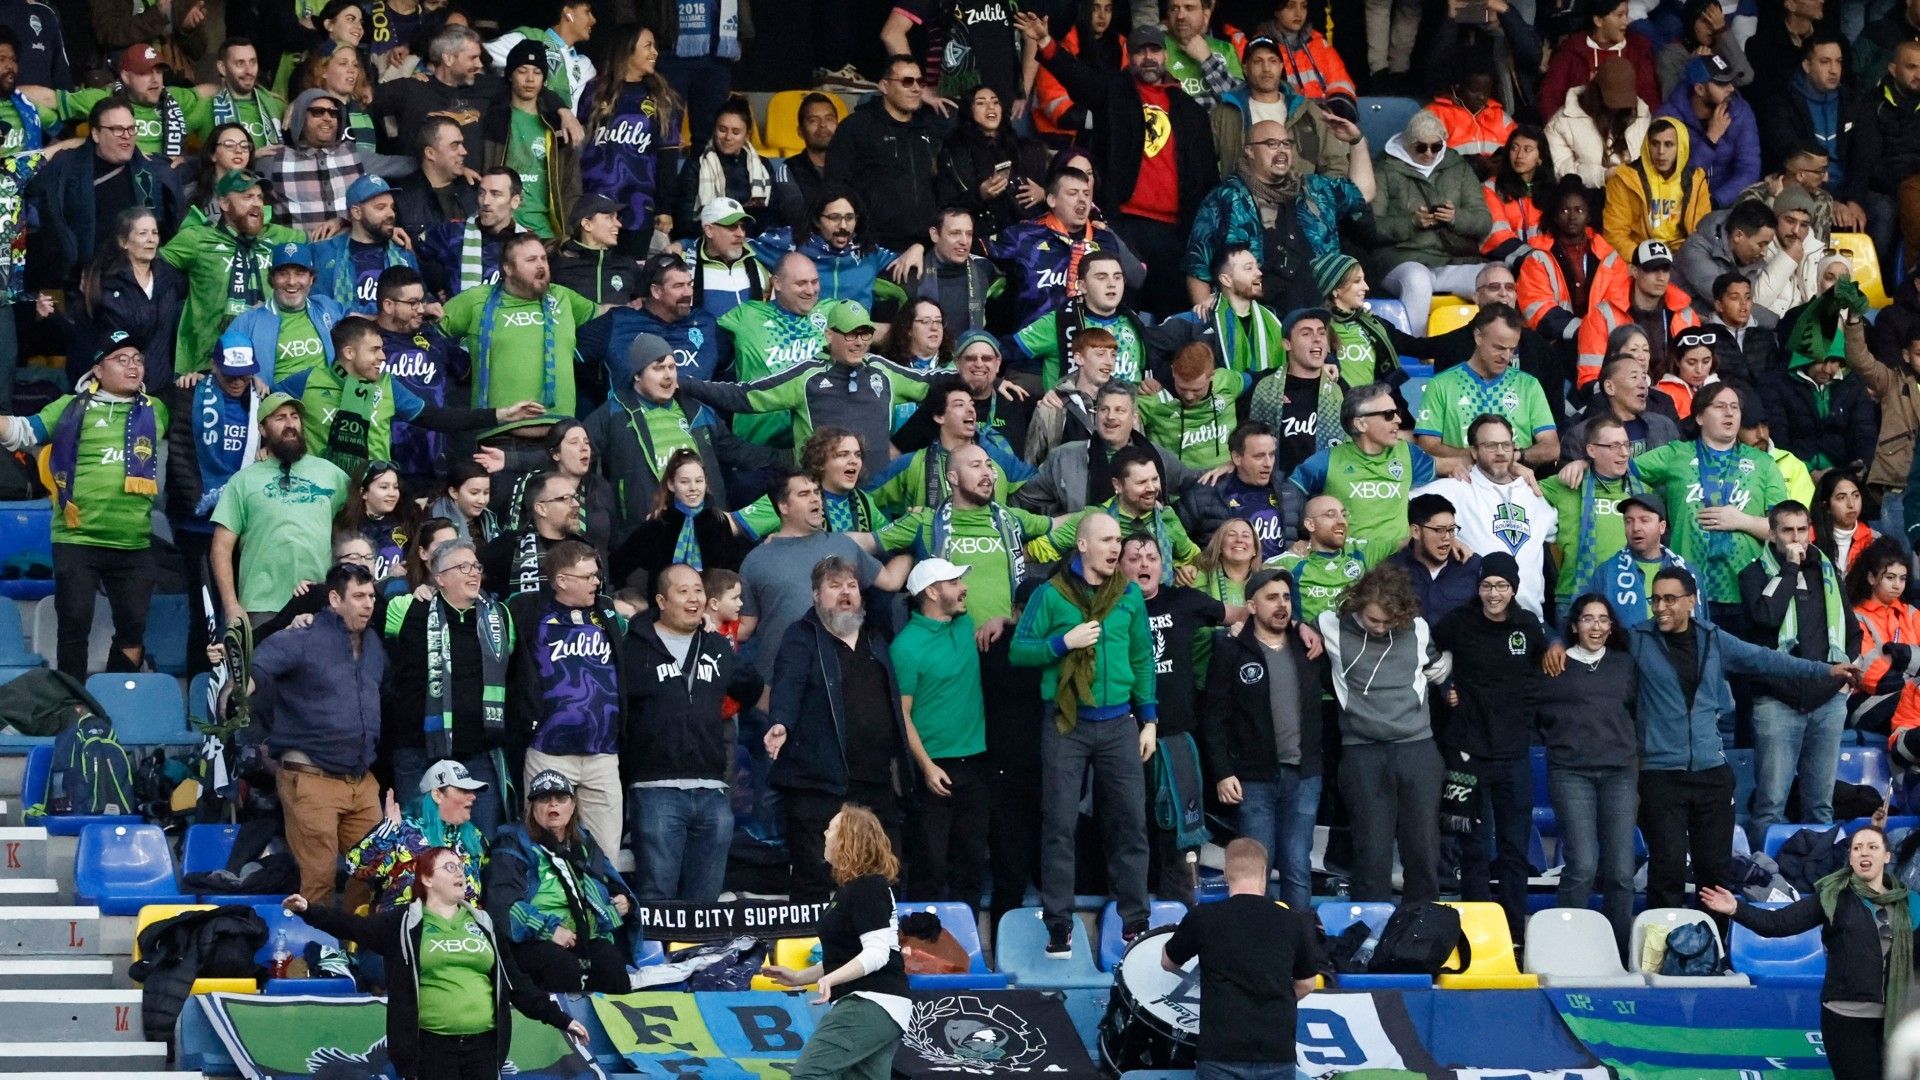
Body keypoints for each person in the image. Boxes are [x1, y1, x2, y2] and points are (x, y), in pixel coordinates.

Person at [1628, 566, 1857, 908]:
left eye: (1670, 599)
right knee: (1667, 869)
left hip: (1711, 773)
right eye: (1655, 599)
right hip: (1660, 774)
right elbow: (1590, 641)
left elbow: (1767, 661)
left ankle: (1714, 950)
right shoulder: (1636, 640)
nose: (1660, 606)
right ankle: (1663, 953)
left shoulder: (1713, 638)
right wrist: (1556, 645)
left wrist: (1826, 670)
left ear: (1691, 601)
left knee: (1715, 872)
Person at [283, 848, 589, 1080]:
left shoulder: (483, 923)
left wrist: (561, 1019)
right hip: (430, 1049)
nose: (461, 873)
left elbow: (516, 982)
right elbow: (354, 927)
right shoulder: (403, 924)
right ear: (427, 878)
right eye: (450, 867)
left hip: (483, 1048)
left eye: (462, 867)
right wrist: (309, 910)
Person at [1012, 511, 1157, 953]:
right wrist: (1063, 643)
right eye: (1108, 540)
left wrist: (1148, 718)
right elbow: (1019, 651)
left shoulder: (1128, 595)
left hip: (1118, 723)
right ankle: (1060, 921)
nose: (1117, 549)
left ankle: (1135, 920)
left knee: (1130, 822)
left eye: (1119, 541)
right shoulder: (1050, 594)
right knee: (1058, 824)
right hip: (1066, 722)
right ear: (1082, 545)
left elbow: (1141, 660)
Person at [1019, 15, 1217, 314]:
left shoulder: (1190, 111)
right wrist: (1046, 43)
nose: (1148, 58)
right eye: (1140, 51)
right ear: (1130, 57)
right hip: (1123, 223)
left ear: (1165, 55)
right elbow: (1077, 77)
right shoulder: (1114, 93)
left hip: (1173, 231)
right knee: (1121, 310)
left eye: (1155, 50)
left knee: (1171, 314)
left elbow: (1206, 177)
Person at [0, 331, 164, 676]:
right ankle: (74, 707)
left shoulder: (157, 409)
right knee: (74, 628)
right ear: (98, 371)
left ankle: (115, 701)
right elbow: (22, 432)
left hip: (133, 542)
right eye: (121, 359)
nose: (132, 366)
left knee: (133, 633)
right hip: (78, 539)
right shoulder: (69, 407)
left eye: (137, 359)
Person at [1702, 825, 1911, 1080]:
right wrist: (1737, 909)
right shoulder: (1832, 896)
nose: (1864, 853)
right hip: (1846, 1017)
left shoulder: (1911, 903)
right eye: (1857, 848)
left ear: (1887, 856)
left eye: (1873, 847)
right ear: (1850, 857)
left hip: (1899, 1017)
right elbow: (1778, 924)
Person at [763, 555, 913, 902]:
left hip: (875, 782)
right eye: (834, 586)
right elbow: (789, 683)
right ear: (816, 595)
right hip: (817, 783)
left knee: (884, 873)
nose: (845, 593)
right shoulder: (801, 636)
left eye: (851, 586)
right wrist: (780, 723)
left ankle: (879, 949)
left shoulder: (876, 637)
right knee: (814, 877)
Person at [623, 563, 763, 901]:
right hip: (655, 788)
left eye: (698, 590)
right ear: (661, 599)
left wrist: (716, 638)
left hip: (712, 789)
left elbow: (751, 686)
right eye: (683, 591)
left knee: (706, 901)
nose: (693, 598)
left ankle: (701, 957)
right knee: (657, 896)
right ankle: (657, 957)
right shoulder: (634, 646)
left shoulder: (714, 645)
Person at [253, 562, 385, 909]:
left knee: (374, 875)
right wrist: (232, 695)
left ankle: (355, 958)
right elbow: (255, 670)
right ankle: (313, 960)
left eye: (371, 595)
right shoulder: (302, 636)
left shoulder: (374, 644)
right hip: (311, 779)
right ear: (334, 599)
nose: (368, 603)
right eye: (358, 596)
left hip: (362, 780)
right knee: (319, 881)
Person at [682, 300, 931, 476]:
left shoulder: (883, 371)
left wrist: (901, 443)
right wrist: (684, 383)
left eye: (866, 334)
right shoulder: (807, 376)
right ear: (829, 335)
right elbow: (743, 396)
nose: (859, 342)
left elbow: (934, 387)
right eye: (850, 334)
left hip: (879, 498)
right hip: (821, 496)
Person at [1319, 564, 1448, 902]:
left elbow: (1436, 667)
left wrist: (1448, 683)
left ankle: (1423, 932)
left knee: (1422, 849)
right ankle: (1370, 939)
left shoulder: (1417, 628)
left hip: (1417, 747)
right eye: (1373, 620)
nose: (1379, 628)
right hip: (1362, 751)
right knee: (1371, 852)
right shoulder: (1329, 625)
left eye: (1388, 622)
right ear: (1358, 605)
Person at [1433, 552, 1545, 941]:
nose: (1493, 594)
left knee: (1514, 850)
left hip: (1514, 754)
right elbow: (1426, 652)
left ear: (1513, 589)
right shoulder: (1458, 622)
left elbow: (1541, 674)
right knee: (1473, 848)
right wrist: (1445, 688)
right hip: (1466, 752)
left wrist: (1526, 718)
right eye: (1486, 586)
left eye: (1501, 586)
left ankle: (1514, 932)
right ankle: (1476, 933)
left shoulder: (1528, 625)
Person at [1200, 569, 1326, 910]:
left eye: (1286, 597)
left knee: (1298, 864)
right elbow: (1213, 717)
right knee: (1256, 868)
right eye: (1272, 598)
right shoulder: (1230, 649)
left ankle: (1301, 948)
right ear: (1251, 605)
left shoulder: (1308, 646)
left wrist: (1303, 626)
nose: (1281, 605)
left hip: (1304, 775)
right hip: (1253, 778)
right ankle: (1258, 948)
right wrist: (1223, 771)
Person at [760, 804, 911, 1080]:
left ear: (847, 840)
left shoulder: (868, 887)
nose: (825, 834)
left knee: (809, 1074)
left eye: (832, 829)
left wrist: (831, 980)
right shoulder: (853, 889)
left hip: (871, 1002)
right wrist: (799, 977)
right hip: (881, 1006)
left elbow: (877, 954)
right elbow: (847, 955)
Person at [1739, 500, 1858, 846]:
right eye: (1787, 531)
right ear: (1773, 534)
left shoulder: (1827, 571)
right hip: (1777, 702)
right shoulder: (1753, 574)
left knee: (1821, 805)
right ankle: (1768, 878)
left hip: (1827, 701)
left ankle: (1820, 880)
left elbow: (1852, 630)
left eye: (1802, 530)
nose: (1796, 539)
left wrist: (1844, 679)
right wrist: (1789, 571)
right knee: (1771, 804)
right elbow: (1766, 616)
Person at [1531, 593, 1639, 952]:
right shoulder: (1555, 663)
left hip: (1620, 773)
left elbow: (1638, 712)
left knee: (1622, 873)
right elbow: (1537, 715)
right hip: (1570, 773)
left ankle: (1620, 955)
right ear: (1575, 625)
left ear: (1612, 627)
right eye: (1588, 619)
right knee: (1583, 865)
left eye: (1603, 619)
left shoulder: (1625, 664)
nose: (1596, 626)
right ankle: (1571, 951)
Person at [1161, 837, 1320, 1079]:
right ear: (1264, 872)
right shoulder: (1295, 921)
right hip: (1276, 1054)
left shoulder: (1203, 917)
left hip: (1220, 1055)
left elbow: (1168, 962)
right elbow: (1307, 983)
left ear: (1226, 874)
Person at [504, 540, 626, 853]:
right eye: (588, 577)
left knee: (606, 856)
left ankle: (600, 903)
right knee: (545, 851)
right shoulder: (527, 610)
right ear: (561, 580)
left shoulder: (607, 612)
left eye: (597, 575)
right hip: (549, 752)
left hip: (603, 753)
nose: (596, 582)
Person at [1632, 382, 1784, 627]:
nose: (1730, 413)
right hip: (1687, 588)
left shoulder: (1763, 463)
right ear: (1700, 416)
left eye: (1735, 407)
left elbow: (1785, 531)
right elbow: (1618, 468)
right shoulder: (1676, 455)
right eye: (1720, 406)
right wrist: (1584, 464)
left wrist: (1741, 521)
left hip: (1746, 589)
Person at [1185, 120, 1372, 318]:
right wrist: (1215, 324)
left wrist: (1356, 141)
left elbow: (1364, 192)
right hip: (1260, 322)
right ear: (1249, 151)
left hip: (1322, 320)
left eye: (1286, 144)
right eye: (1272, 144)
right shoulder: (1225, 199)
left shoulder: (1314, 189)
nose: (1281, 150)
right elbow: (1197, 269)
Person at [886, 558, 990, 904]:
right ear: (932, 592)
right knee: (929, 864)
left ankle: (967, 948)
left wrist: (1005, 619)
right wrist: (927, 767)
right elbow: (902, 715)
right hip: (933, 767)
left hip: (975, 762)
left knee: (972, 863)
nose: (964, 588)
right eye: (954, 582)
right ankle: (922, 950)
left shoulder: (964, 625)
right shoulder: (906, 647)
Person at [485, 771, 642, 994]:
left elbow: (610, 880)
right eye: (544, 799)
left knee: (610, 963)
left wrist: (622, 899)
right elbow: (503, 905)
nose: (553, 805)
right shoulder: (512, 845)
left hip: (586, 936)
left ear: (573, 805)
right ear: (531, 806)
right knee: (562, 966)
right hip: (533, 940)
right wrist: (549, 931)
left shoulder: (584, 842)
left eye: (561, 799)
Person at [209, 393, 352, 624]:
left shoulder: (331, 474)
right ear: (262, 429)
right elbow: (221, 548)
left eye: (294, 417)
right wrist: (231, 606)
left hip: (320, 599)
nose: (290, 424)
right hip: (262, 604)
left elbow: (356, 523)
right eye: (280, 418)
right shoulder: (243, 481)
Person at [159, 168, 303, 385]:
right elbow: (147, 265)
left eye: (259, 197)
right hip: (206, 367)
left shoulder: (278, 237)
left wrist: (341, 223)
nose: (256, 203)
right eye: (247, 197)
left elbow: (328, 245)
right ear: (224, 204)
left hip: (269, 363)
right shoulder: (196, 239)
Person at [439, 233, 598, 418]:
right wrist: (460, 365)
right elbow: (427, 334)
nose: (541, 265)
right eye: (531, 260)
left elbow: (608, 315)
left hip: (561, 437)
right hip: (499, 438)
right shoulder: (476, 299)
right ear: (508, 268)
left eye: (543, 258)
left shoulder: (563, 297)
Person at [1413, 415, 1558, 619]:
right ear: (1473, 451)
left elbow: (1557, 530)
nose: (1500, 452)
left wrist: (1580, 465)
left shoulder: (1532, 493)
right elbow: (1402, 507)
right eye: (1490, 445)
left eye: (1506, 445)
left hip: (1529, 621)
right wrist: (1446, 536)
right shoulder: (1456, 487)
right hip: (1476, 622)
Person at [1368, 110, 1492, 336]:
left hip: (1450, 259)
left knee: (1495, 278)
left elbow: (1484, 221)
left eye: (1436, 147)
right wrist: (1410, 222)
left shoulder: (1458, 166)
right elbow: (1370, 226)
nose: (1428, 153)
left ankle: (1494, 347)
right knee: (1417, 281)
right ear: (1407, 143)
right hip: (1401, 259)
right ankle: (1413, 352)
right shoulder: (1384, 168)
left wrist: (1456, 218)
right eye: (1420, 147)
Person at [1290, 382, 1446, 553]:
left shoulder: (1408, 453)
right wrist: (1296, 539)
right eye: (1388, 414)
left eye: (1397, 413)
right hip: (1348, 565)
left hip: (1399, 563)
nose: (1398, 420)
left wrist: (1468, 458)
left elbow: (1450, 465)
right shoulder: (1327, 460)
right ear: (1361, 424)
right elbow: (1291, 492)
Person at [985, 165, 1144, 328]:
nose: (1082, 199)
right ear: (1052, 200)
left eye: (1086, 194)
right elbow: (979, 253)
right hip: (1032, 343)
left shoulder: (1105, 239)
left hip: (1090, 343)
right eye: (1073, 193)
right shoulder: (1022, 236)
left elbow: (1136, 279)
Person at [1414, 304, 1560, 467]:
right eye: (1498, 347)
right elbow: (1427, 445)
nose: (1506, 357)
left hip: (1514, 482)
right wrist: (1479, 456)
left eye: (1512, 349)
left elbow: (1551, 447)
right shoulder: (1441, 384)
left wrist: (1516, 455)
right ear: (1478, 337)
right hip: (1460, 482)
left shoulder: (1529, 385)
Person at [578, 25, 682, 250]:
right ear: (627, 50)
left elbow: (668, 158)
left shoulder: (662, 99)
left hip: (639, 205)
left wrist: (664, 208)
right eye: (648, 46)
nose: (654, 52)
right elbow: (576, 147)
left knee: (633, 274)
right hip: (595, 204)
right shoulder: (594, 92)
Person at [822, 54, 937, 253]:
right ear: (884, 86)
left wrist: (924, 243)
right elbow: (835, 186)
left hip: (922, 248)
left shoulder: (926, 129)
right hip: (871, 247)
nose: (917, 88)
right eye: (907, 82)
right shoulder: (856, 127)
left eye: (920, 81)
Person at [345, 759, 490, 912]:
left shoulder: (475, 836)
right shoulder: (402, 831)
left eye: (472, 791)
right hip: (406, 927)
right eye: (463, 790)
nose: (473, 796)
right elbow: (356, 869)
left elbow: (491, 886)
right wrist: (387, 831)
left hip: (462, 930)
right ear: (437, 795)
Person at [1543, 415, 1640, 612]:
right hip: (1573, 599)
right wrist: (1519, 467)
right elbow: (1514, 485)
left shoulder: (1642, 491)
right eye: (1613, 446)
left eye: (1626, 445)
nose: (1623, 453)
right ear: (1591, 450)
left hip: (1628, 598)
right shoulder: (1567, 483)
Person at [1577, 240, 1705, 390]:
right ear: (1634, 271)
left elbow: (1698, 372)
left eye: (1665, 270)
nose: (1661, 277)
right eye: (1652, 269)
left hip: (1675, 400)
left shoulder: (1685, 314)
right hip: (1621, 400)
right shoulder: (1602, 315)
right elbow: (1589, 380)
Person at [1013, 250, 1147, 388]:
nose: (1112, 284)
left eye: (1117, 277)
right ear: (1082, 286)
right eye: (1102, 277)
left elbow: (1148, 372)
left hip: (1126, 408)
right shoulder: (1058, 321)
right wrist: (998, 382)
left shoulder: (1135, 323)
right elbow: (1003, 353)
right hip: (1070, 408)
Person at [933, 86, 1050, 240]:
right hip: (979, 238)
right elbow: (946, 204)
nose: (990, 107)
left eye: (995, 102)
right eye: (981, 103)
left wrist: (1044, 194)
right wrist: (979, 194)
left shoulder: (1024, 147)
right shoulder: (954, 152)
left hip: (1026, 234)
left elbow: (1057, 190)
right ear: (969, 110)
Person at [1600, 120, 1710, 269]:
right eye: (1655, 144)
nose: (1661, 152)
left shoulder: (1696, 180)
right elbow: (1614, 234)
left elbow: (1702, 231)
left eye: (1669, 144)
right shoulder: (1624, 179)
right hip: (1640, 256)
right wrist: (1639, 256)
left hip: (1683, 256)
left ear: (1681, 147)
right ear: (1647, 145)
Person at [1654, 54, 1760, 207]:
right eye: (1721, 83)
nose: (1731, 88)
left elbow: (1749, 169)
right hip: (1679, 204)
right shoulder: (1669, 119)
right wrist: (1710, 140)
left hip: (1727, 203)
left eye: (1730, 81)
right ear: (1700, 89)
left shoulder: (1740, 111)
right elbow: (1674, 178)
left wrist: (1715, 201)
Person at [260, 88, 365, 236]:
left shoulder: (354, 153)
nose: (327, 117)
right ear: (300, 117)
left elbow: (402, 166)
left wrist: (344, 221)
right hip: (298, 254)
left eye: (333, 113)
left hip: (348, 253)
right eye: (318, 111)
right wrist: (251, 155)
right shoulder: (274, 159)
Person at [312, 175, 420, 316]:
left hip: (397, 335)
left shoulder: (403, 252)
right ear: (357, 212)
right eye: (380, 208)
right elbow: (317, 306)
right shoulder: (325, 252)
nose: (391, 214)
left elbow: (420, 302)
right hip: (345, 334)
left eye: (392, 207)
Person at [1538, 0, 1660, 121]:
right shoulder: (1572, 50)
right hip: (1576, 130)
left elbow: (1648, 97)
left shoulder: (1638, 50)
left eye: (1626, 15)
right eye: (1619, 15)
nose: (1626, 22)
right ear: (1598, 21)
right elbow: (1550, 96)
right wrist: (1561, 130)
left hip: (1626, 131)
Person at [1545, 60, 1650, 190]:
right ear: (1596, 92)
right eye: (1613, 102)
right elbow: (1561, 171)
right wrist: (1604, 176)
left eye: (1623, 102)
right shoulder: (1561, 123)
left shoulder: (1640, 113)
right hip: (1589, 198)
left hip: (1636, 193)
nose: (1618, 108)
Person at [1391, 493, 1482, 624]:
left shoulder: (1473, 566)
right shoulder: (1392, 569)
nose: (1447, 537)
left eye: (1451, 530)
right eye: (1439, 530)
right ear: (1416, 531)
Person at [1676, 201, 1779, 312]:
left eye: (1767, 245)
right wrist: (1776, 323)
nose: (1764, 252)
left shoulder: (1748, 259)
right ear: (1738, 235)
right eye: (1761, 244)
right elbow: (1731, 305)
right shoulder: (1695, 249)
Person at [391, 116, 478, 238]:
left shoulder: (473, 189)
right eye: (454, 145)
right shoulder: (402, 197)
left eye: (462, 144)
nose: (464, 151)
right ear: (430, 153)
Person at [195, 37, 286, 148]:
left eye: (253, 62)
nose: (249, 71)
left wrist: (297, 103)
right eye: (240, 64)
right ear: (222, 68)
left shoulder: (276, 105)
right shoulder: (205, 105)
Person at [1657, 0, 1755, 96]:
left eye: (1716, 20)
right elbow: (1672, 102)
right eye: (1705, 21)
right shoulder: (1671, 56)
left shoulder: (1722, 47)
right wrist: (1695, 67)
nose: (1712, 26)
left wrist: (1722, 31)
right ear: (1690, 23)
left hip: (1727, 109)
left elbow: (1745, 78)